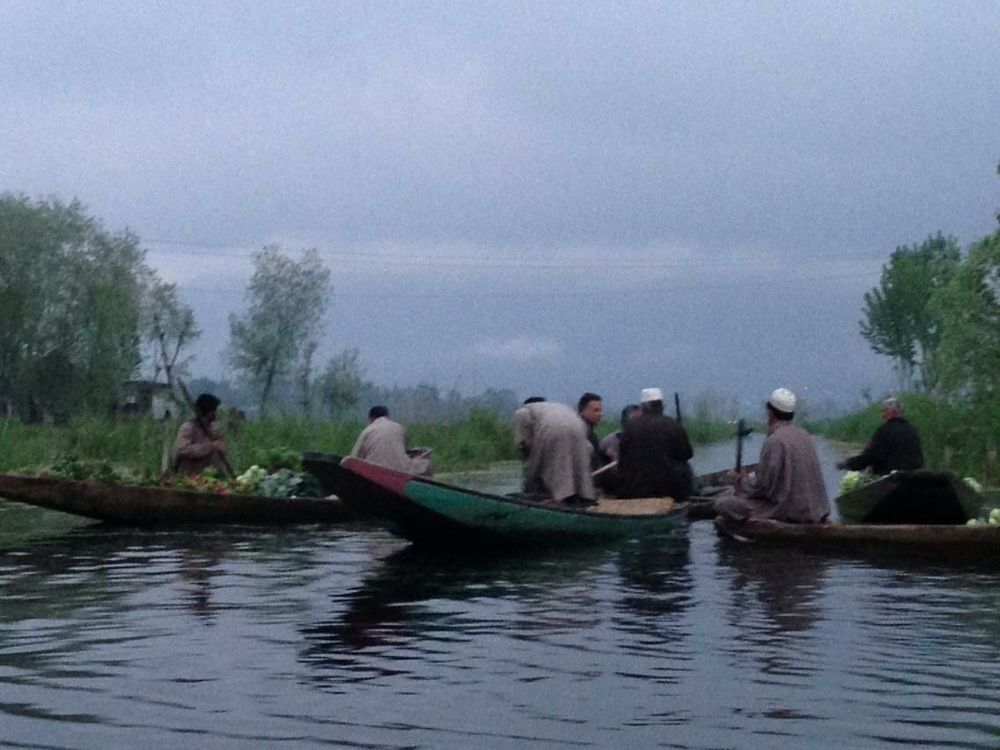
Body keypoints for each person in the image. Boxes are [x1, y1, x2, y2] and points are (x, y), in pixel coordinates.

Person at [714, 387, 830, 526]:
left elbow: (764, 487)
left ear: (770, 413)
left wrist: (740, 480)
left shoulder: (774, 440)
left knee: (723, 503)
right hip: (816, 510)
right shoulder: (805, 435)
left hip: (787, 511)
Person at [513, 398, 596, 505]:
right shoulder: (556, 407)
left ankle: (557, 500)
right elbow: (588, 448)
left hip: (553, 428)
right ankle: (583, 498)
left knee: (553, 467)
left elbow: (523, 443)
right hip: (579, 425)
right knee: (574, 468)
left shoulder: (522, 412)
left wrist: (529, 469)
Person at [618, 388, 694, 500]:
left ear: (643, 406)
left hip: (635, 488)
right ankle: (683, 499)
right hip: (667, 488)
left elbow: (622, 461)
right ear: (661, 405)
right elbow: (687, 454)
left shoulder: (630, 427)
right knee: (685, 468)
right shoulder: (672, 425)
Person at [835, 396, 924, 474]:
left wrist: (848, 463)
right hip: (912, 476)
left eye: (884, 411)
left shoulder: (884, 431)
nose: (882, 415)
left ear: (891, 412)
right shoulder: (912, 430)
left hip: (891, 478)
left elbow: (870, 456)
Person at [350, 406, 429, 475]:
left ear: (371, 418)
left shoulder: (367, 430)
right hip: (400, 472)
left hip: (373, 473)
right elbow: (402, 450)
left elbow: (354, 458)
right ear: (387, 416)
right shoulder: (399, 427)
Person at [174, 393, 229, 476]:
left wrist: (221, 447)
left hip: (210, 475)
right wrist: (210, 446)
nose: (216, 413)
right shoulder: (188, 428)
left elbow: (222, 449)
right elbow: (183, 450)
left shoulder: (213, 429)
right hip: (190, 475)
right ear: (210, 412)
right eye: (214, 410)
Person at [577, 392, 609, 471]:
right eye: (596, 410)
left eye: (600, 410)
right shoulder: (580, 433)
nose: (600, 414)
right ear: (582, 411)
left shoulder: (590, 433)